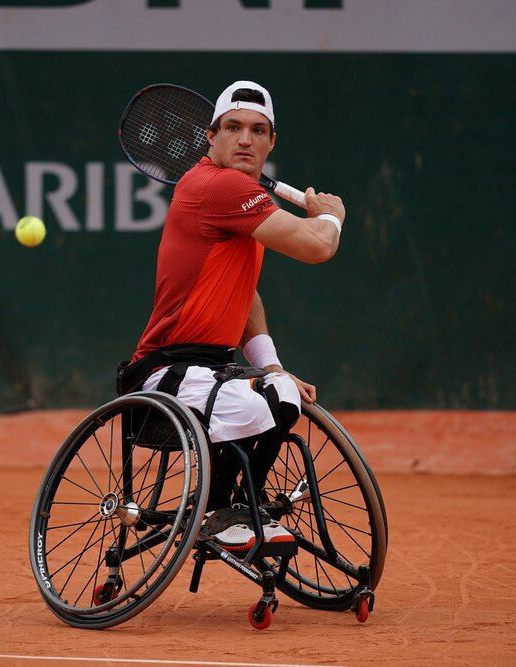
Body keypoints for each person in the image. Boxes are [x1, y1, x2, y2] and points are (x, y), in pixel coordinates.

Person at [117, 80, 345, 551]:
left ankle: (238, 507)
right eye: (234, 127)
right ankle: (222, 511)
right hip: (164, 369)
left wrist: (272, 364)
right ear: (211, 136)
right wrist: (330, 217)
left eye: (258, 130)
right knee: (253, 404)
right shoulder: (216, 187)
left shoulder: (239, 195)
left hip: (215, 369)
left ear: (271, 141)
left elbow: (245, 296)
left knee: (282, 392)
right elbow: (318, 246)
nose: (246, 139)